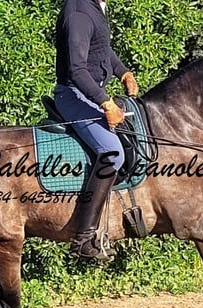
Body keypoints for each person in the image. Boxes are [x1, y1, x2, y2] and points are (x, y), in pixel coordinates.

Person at [53, 0, 139, 261]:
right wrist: (105, 102)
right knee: (113, 152)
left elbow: (101, 50)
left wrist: (123, 73)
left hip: (89, 94)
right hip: (73, 96)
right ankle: (83, 238)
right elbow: (77, 70)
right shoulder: (79, 12)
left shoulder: (96, 5)